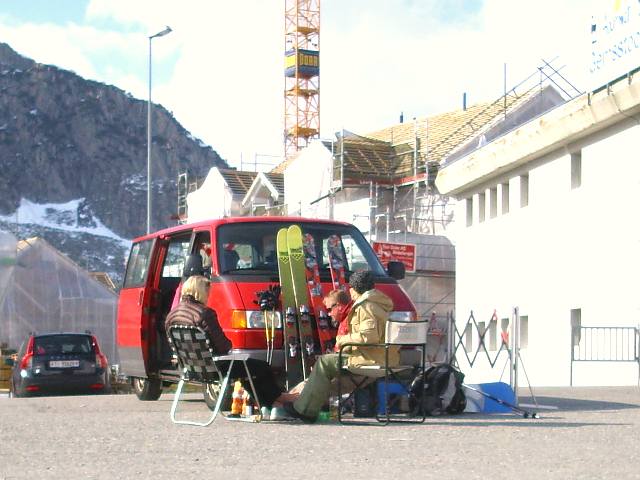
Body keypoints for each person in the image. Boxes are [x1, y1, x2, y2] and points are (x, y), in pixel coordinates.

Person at [283, 270, 397, 422]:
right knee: (326, 369)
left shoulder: (366, 307)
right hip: (379, 356)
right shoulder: (378, 305)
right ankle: (302, 404)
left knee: (324, 362)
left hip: (370, 359)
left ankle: (305, 410)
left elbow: (369, 336)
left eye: (350, 287)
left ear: (355, 288)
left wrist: (343, 339)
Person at [165, 275, 293, 408]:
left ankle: (269, 404)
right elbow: (223, 346)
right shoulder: (205, 313)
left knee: (248, 372)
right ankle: (280, 400)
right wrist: (229, 347)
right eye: (207, 292)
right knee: (261, 367)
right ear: (200, 292)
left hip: (190, 368)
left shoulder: (172, 315)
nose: (208, 296)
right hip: (215, 368)